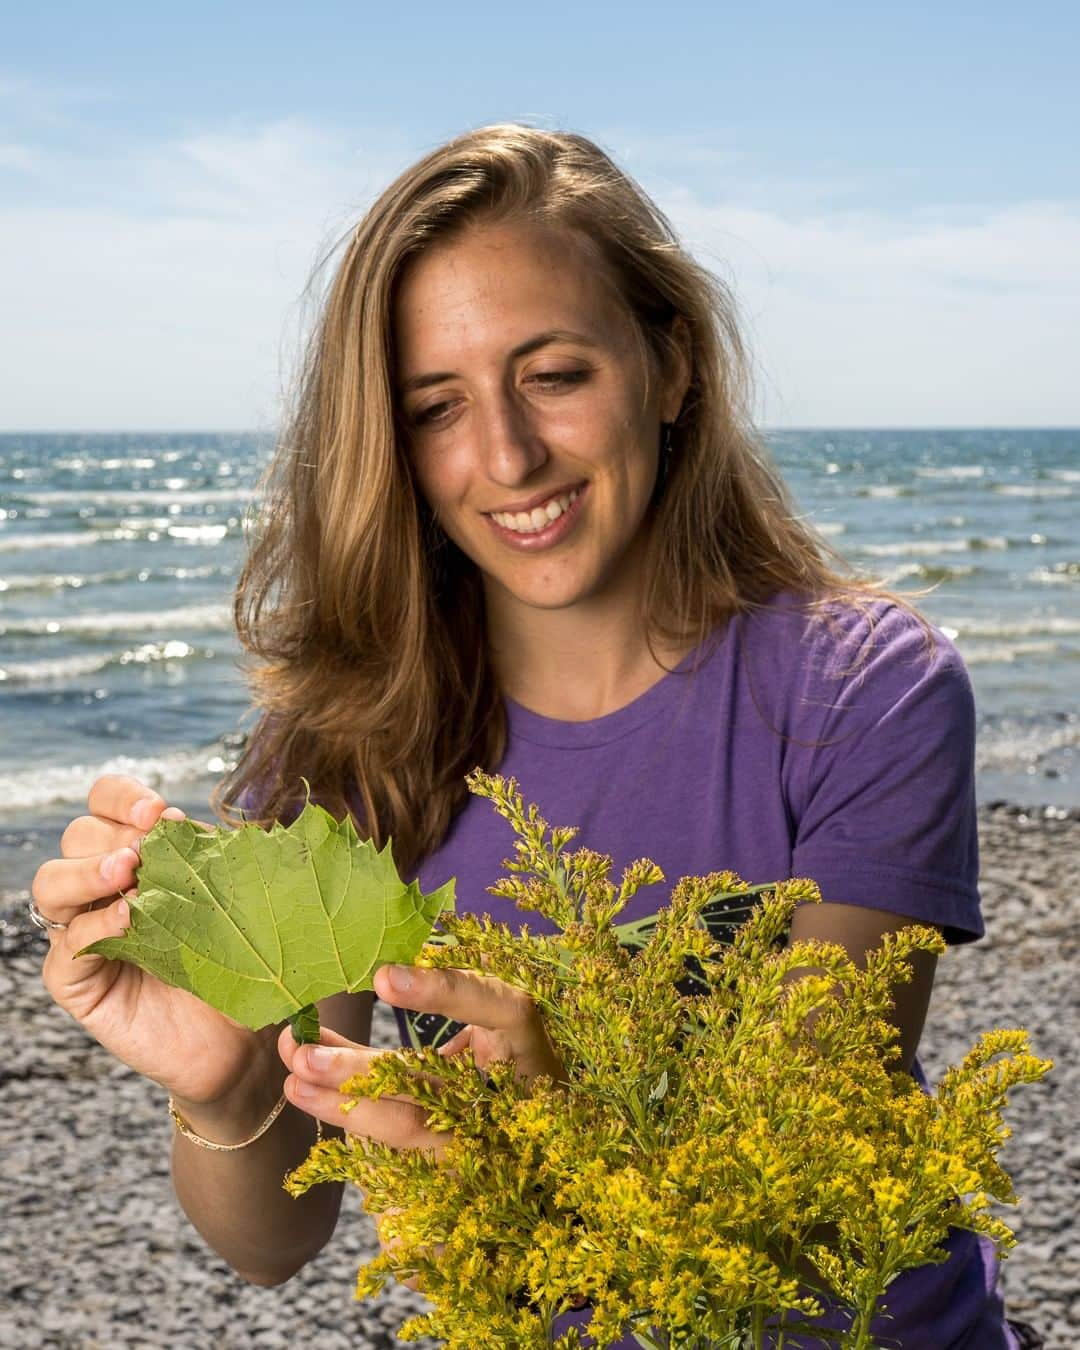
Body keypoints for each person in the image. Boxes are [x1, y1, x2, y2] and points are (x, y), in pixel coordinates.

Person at [33, 124, 1040, 1349]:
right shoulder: (350, 740)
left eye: (555, 375)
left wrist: (563, 1099)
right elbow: (270, 1243)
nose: (504, 455)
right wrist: (227, 1087)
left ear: (673, 367)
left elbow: (798, 1174)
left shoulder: (861, 691)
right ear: (390, 445)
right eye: (435, 406)